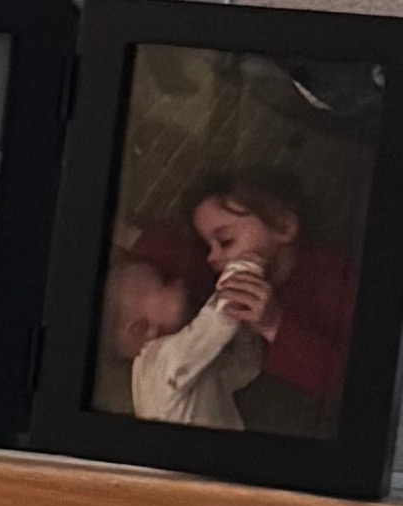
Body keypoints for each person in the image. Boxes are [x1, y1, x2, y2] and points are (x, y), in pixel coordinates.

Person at [116, 165, 346, 439]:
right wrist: (128, 237)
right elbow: (186, 262)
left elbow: (345, 379)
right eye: (207, 247)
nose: (211, 257)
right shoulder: (212, 286)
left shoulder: (333, 281)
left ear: (283, 227)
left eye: (225, 241)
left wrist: (274, 325)